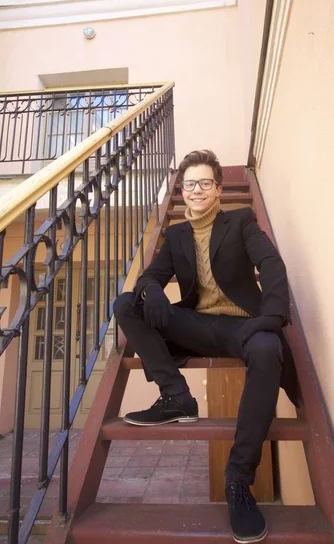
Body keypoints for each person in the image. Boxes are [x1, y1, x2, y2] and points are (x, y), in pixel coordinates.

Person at [113, 149, 298, 544]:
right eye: (189, 183)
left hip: (241, 327)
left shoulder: (241, 221)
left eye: (205, 183)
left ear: (218, 189)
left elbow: (271, 265)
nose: (197, 190)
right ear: (181, 190)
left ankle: (238, 481)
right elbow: (152, 275)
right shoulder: (177, 234)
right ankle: (176, 397)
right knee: (126, 303)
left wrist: (271, 317)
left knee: (267, 349)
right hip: (197, 325)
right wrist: (152, 291)